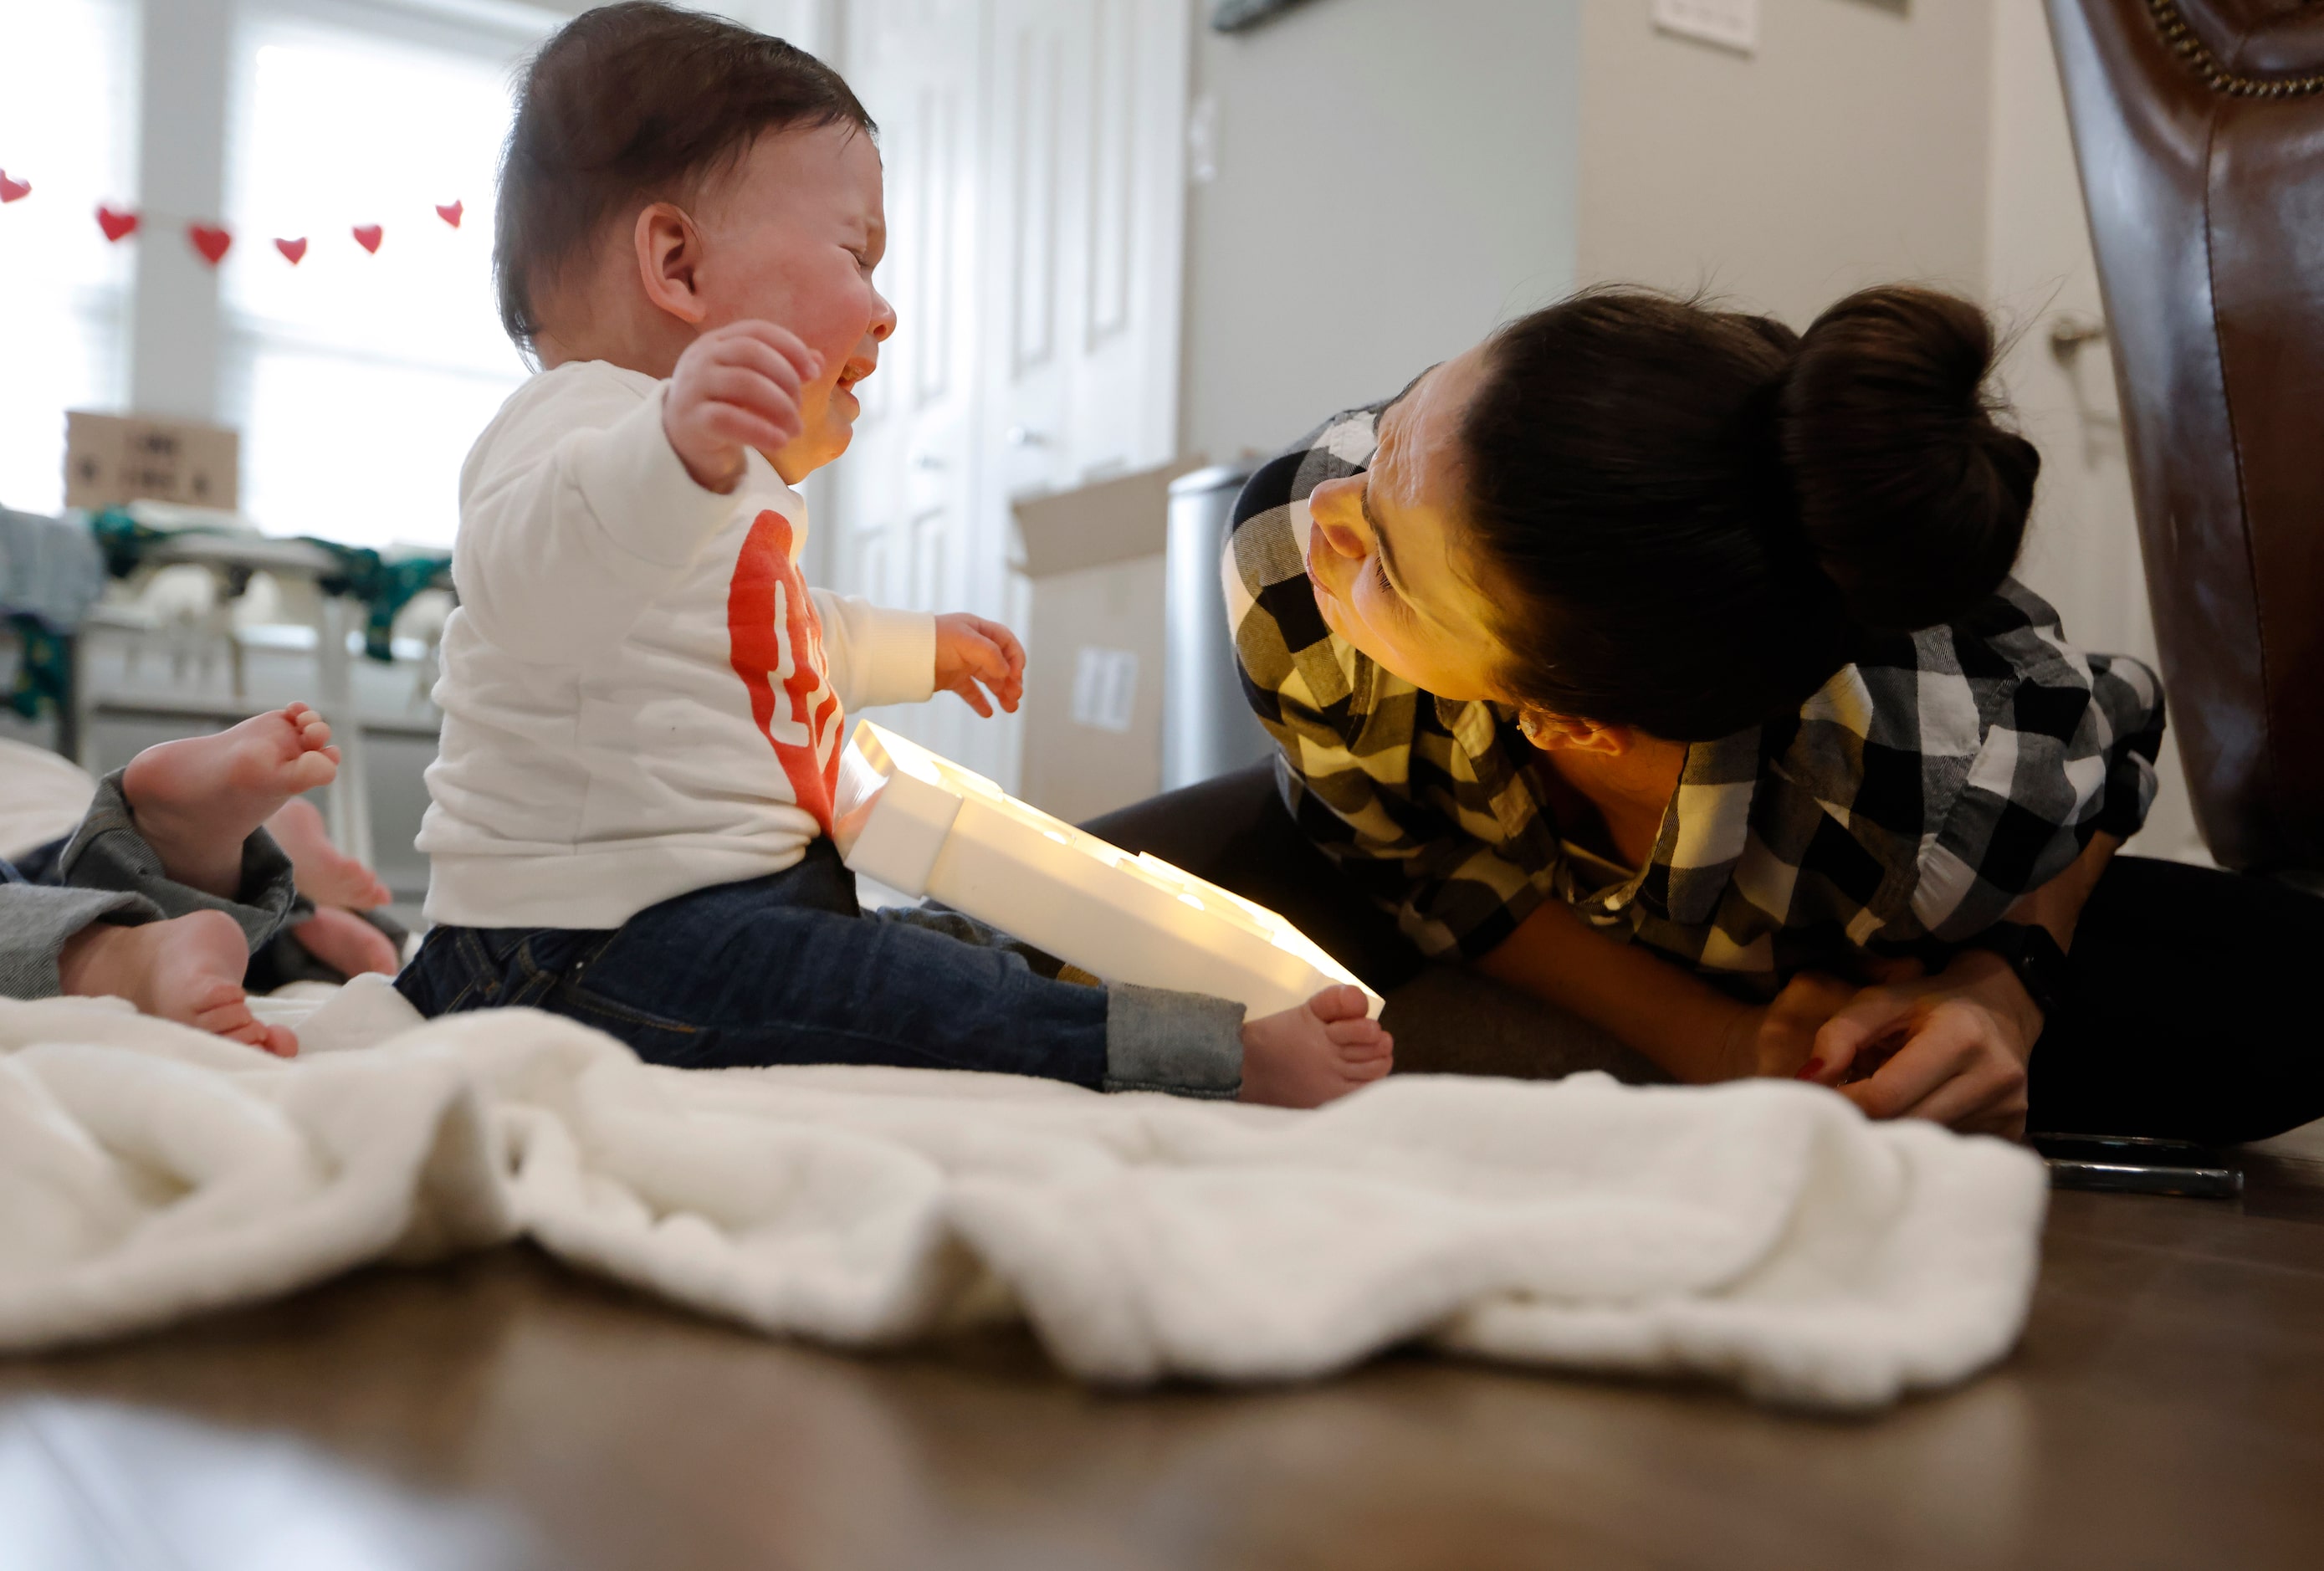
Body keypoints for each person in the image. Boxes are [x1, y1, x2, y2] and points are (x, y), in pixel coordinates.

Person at [393, 2, 1389, 1108]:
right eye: (856, 255)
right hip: (571, 950)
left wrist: (924, 648)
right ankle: (1210, 1056)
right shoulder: (578, 428)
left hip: (716, 908)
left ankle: (1001, 977)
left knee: (912, 965)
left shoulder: (716, 491)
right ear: (676, 263)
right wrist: (668, 450)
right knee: (910, 996)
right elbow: (531, 584)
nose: (886, 311)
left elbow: (775, 641)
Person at [1094, 284, 2324, 1144]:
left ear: (1566, 722)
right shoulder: (1291, 555)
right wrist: (1712, 1042)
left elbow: (2108, 739)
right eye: (1403, 420)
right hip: (1500, 874)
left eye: (1392, 572)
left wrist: (2002, 980)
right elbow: (1410, 859)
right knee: (1078, 940)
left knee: (2271, 1000)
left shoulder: (1926, 793)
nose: (1330, 519)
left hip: (1822, 880)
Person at [2, 702, 350, 1057]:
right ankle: (183, 851)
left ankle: (122, 961)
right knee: (78, 881)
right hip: (60, 825)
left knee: (32, 908)